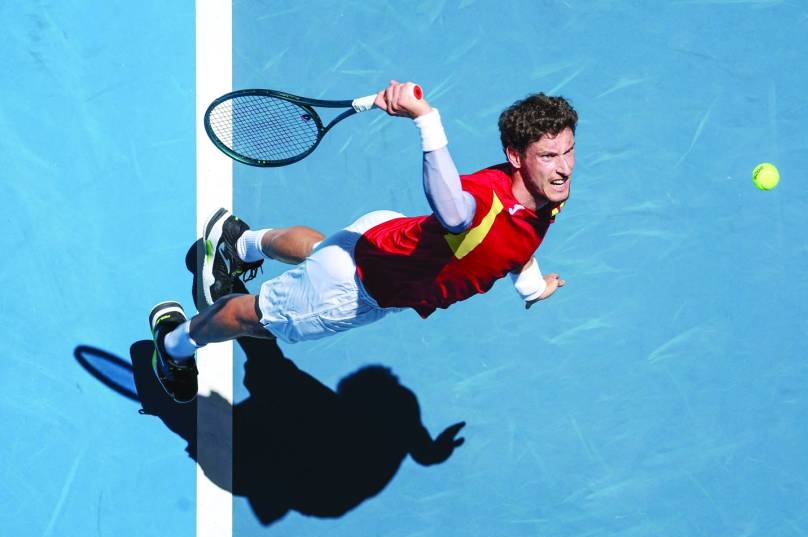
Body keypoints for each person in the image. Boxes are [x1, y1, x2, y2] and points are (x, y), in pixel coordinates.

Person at [150, 80, 578, 402]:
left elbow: (517, 244)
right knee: (254, 318)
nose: (564, 169)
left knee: (322, 250)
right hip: (354, 290)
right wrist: (426, 120)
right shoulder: (482, 202)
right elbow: (454, 213)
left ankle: (239, 243)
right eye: (549, 156)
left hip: (382, 239)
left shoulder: (544, 196)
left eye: (568, 151)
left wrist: (533, 287)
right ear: (515, 156)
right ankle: (174, 344)